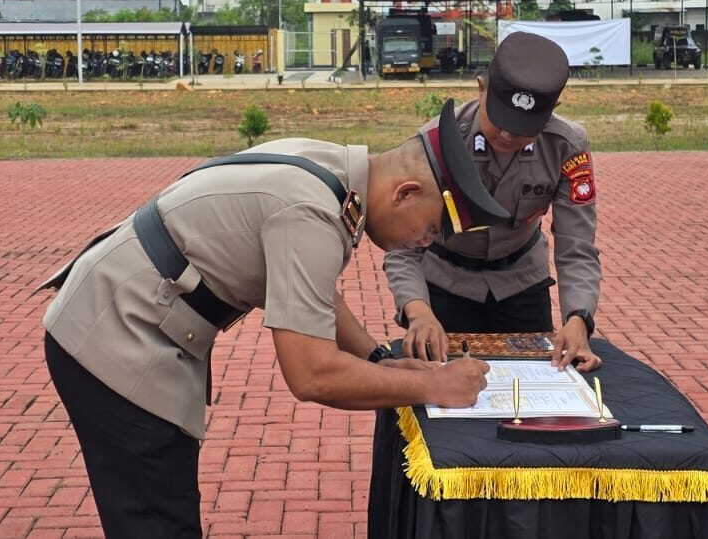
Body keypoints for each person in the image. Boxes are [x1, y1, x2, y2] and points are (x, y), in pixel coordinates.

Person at [41, 99, 509, 538]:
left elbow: (310, 289)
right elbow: (311, 374)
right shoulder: (311, 212)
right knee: (157, 519)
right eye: (430, 229)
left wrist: (377, 358)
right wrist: (432, 386)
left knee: (161, 508)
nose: (424, 244)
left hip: (122, 315)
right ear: (406, 192)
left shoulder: (331, 170)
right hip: (114, 337)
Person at [384, 32, 604, 372]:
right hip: (444, 287)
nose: (507, 135)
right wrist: (417, 311)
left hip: (522, 285)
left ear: (552, 111)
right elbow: (402, 248)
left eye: (522, 127)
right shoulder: (437, 142)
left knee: (537, 395)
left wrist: (579, 319)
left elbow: (577, 247)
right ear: (481, 87)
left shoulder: (566, 146)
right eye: (499, 119)